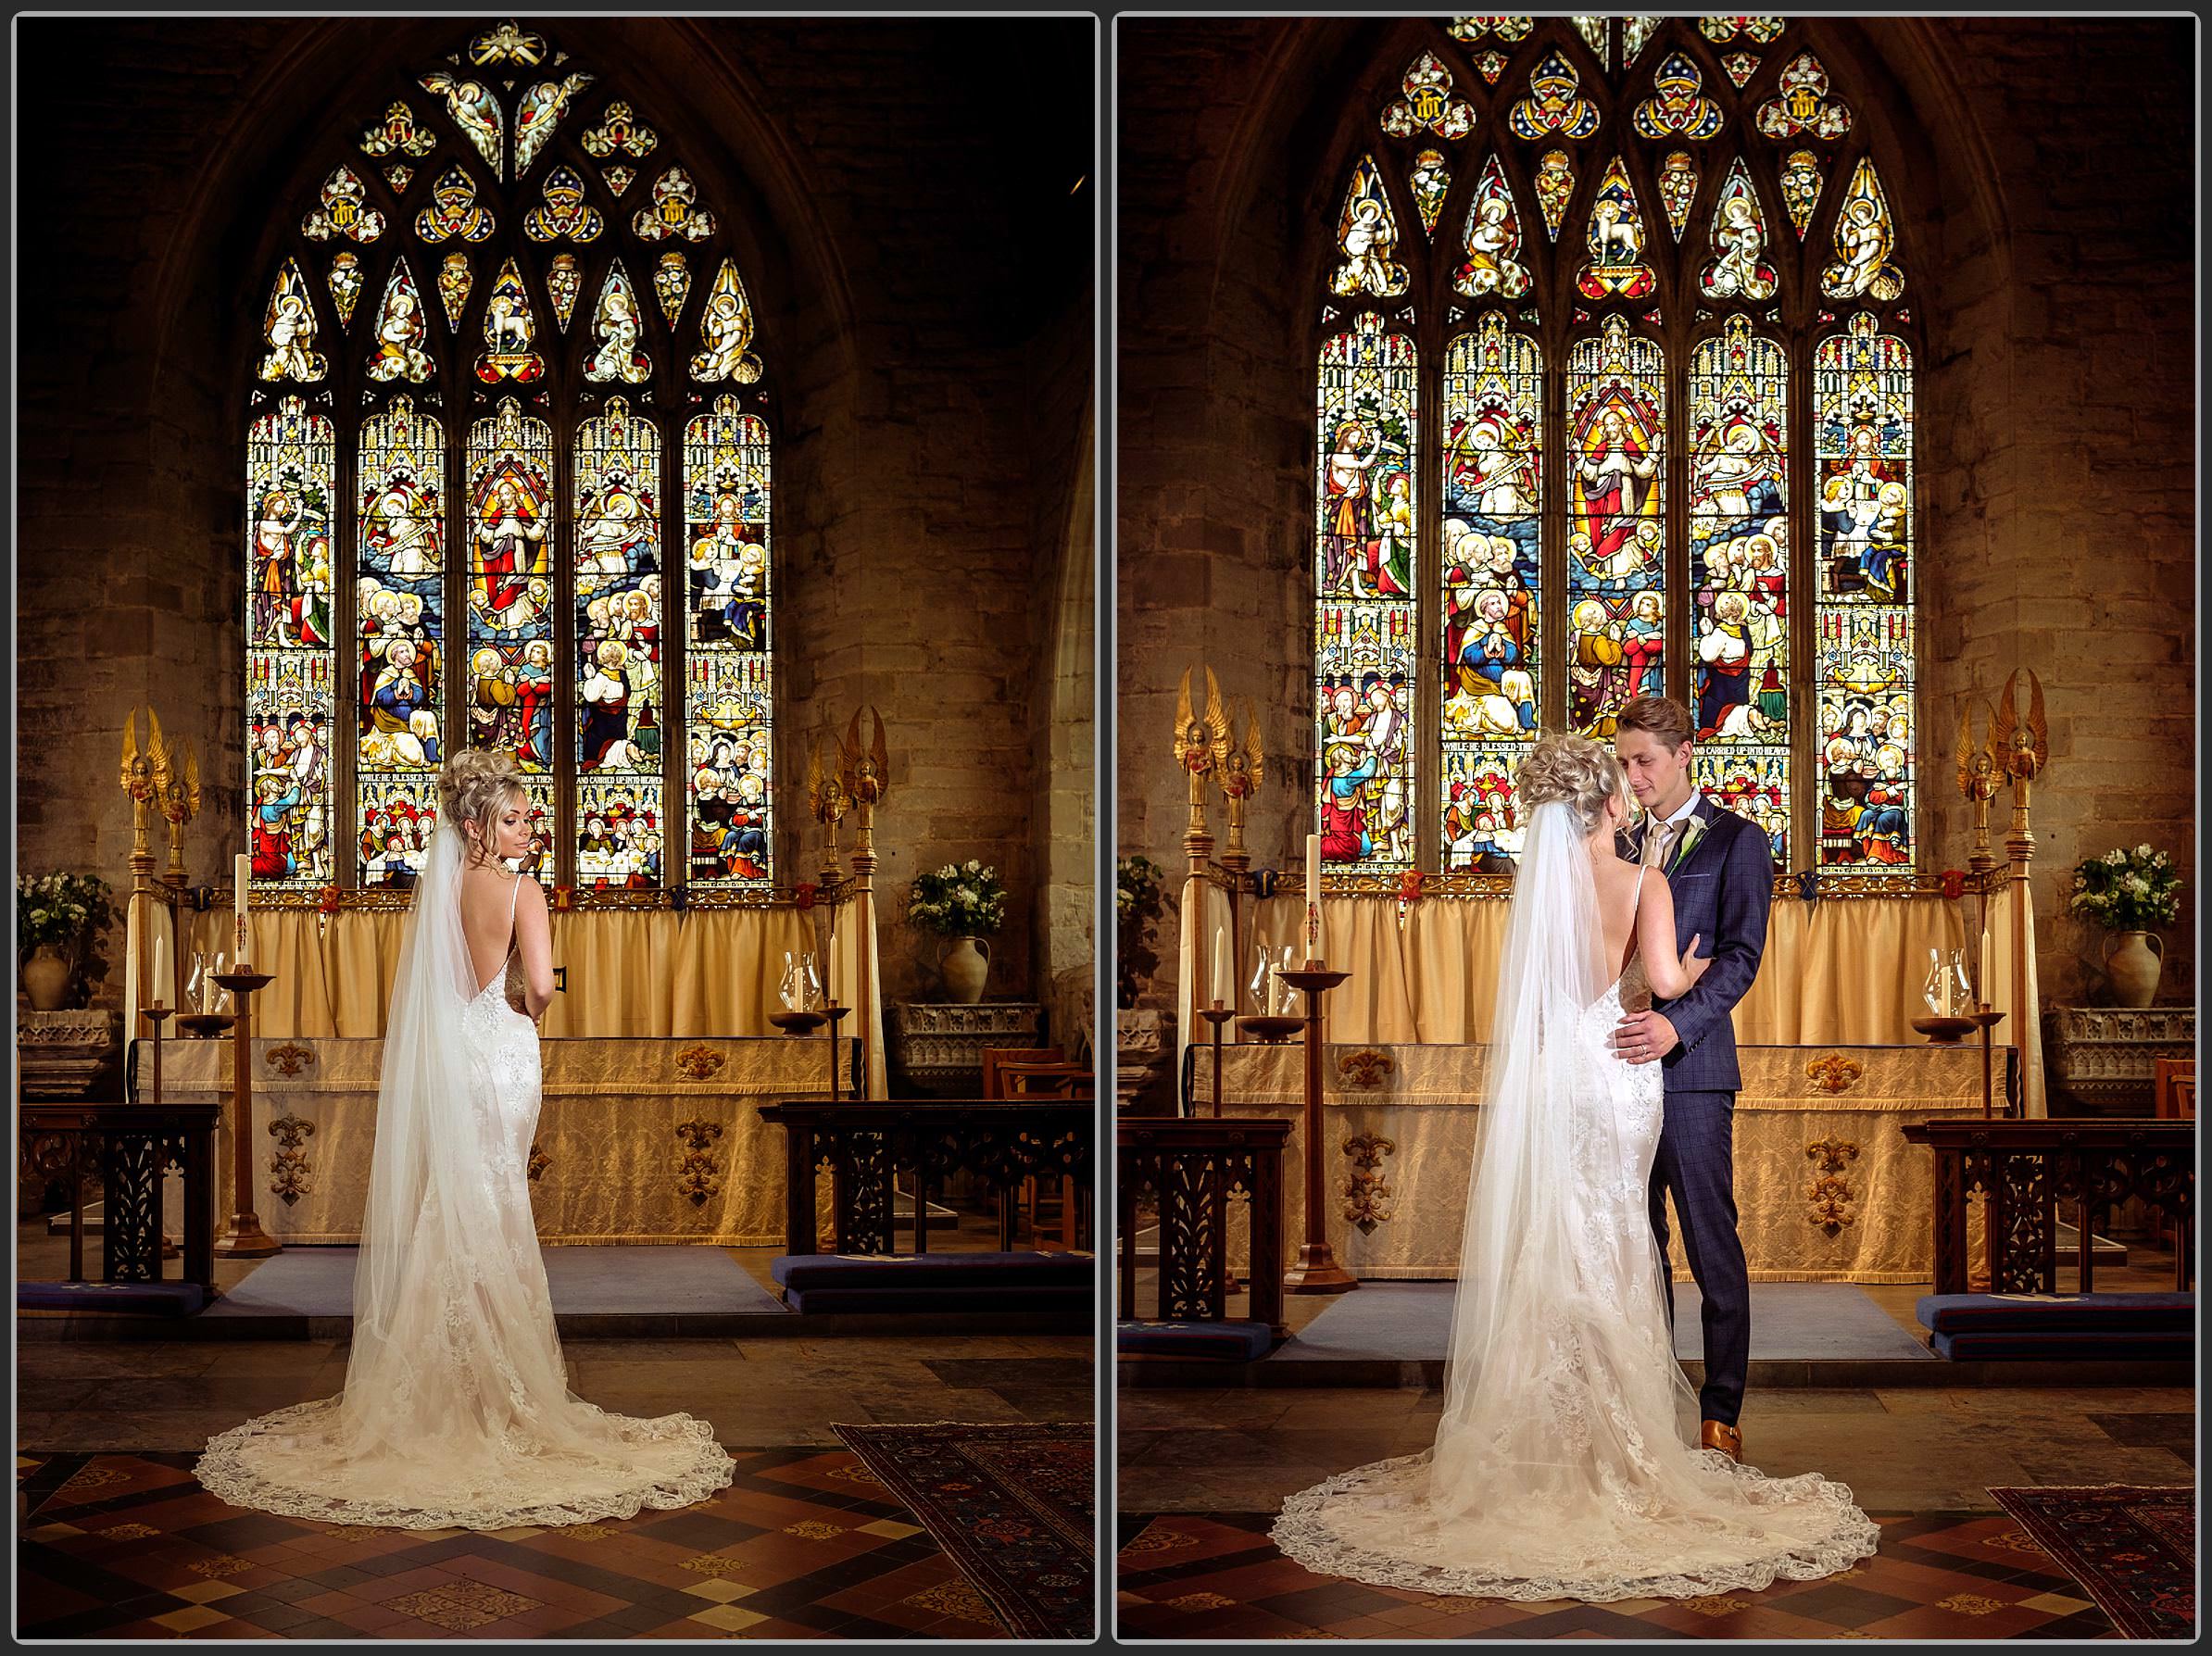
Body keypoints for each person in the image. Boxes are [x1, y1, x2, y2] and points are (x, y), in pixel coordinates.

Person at [1272, 728, 1877, 1600]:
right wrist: (1685, 969)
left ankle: (1611, 1430)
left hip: (1573, 1072)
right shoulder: (1642, 878)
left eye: (1646, 759)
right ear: (1611, 800)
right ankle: (1628, 1442)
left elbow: (1568, 990)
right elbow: (1669, 980)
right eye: (1622, 769)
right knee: (1619, 1242)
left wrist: (1682, 997)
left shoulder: (1557, 883)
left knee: (1576, 1235)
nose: (1635, 779)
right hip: (1624, 1072)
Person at [197, 750, 734, 1529]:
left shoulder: (437, 887)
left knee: (452, 1202)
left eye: (529, 818)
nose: (531, 830)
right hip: (503, 1049)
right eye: (516, 819)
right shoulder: (523, 890)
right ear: (479, 826)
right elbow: (543, 985)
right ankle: (496, 1385)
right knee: (497, 1199)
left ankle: (438, 1384)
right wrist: (528, 1013)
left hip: (451, 1053)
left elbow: (434, 985)